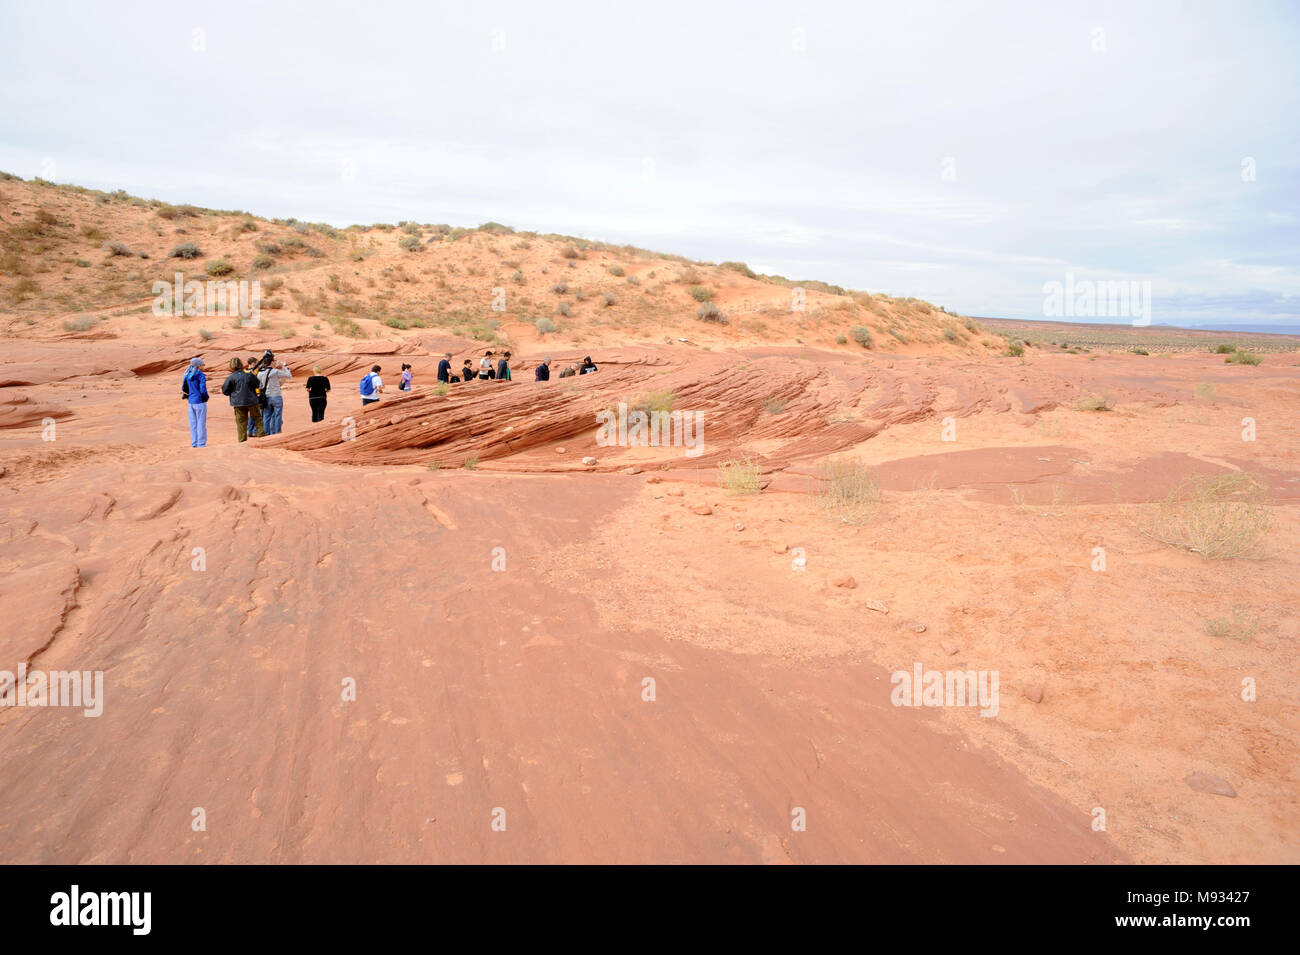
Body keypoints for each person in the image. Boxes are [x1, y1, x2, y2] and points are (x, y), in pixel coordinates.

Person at [221, 357, 264, 442]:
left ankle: (242, 441)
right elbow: (257, 384)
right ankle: (262, 438)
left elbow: (225, 391)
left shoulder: (230, 378)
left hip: (238, 403)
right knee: (257, 419)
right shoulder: (248, 375)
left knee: (241, 423)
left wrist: (233, 394)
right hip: (251, 400)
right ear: (241, 365)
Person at [257, 358, 292, 435]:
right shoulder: (275, 371)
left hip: (266, 396)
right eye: (274, 361)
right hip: (276, 396)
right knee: (277, 415)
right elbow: (289, 375)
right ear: (272, 362)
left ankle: (266, 433)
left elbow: (260, 385)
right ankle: (277, 432)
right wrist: (283, 366)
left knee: (266, 416)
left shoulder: (260, 373)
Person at [181, 357, 209, 447]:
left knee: (193, 423)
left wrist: (188, 396)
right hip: (200, 401)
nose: (204, 366)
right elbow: (203, 389)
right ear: (199, 365)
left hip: (191, 402)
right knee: (201, 423)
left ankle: (194, 443)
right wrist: (206, 397)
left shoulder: (187, 374)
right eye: (203, 365)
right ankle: (201, 443)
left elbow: (183, 388)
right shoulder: (200, 375)